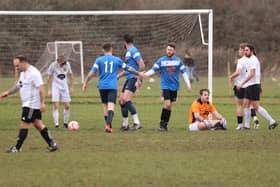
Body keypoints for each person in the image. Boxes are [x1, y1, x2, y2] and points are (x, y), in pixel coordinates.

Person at [0, 55, 57, 152]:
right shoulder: (23, 73)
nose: (16, 68)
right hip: (28, 104)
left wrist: (42, 103)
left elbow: (41, 89)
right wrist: (7, 93)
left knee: (24, 124)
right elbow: (19, 86)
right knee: (38, 125)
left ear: (23, 62)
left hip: (31, 105)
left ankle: (17, 148)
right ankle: (52, 144)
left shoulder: (34, 73)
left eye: (17, 66)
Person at [82, 43, 142, 133]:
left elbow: (92, 72)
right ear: (111, 49)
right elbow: (128, 68)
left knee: (105, 106)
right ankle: (108, 125)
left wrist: (85, 82)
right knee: (111, 106)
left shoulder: (99, 60)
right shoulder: (117, 60)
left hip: (102, 86)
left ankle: (108, 125)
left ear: (103, 50)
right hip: (112, 86)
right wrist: (138, 73)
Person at [141, 42, 192, 131]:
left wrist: (188, 84)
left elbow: (184, 73)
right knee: (167, 104)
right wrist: (145, 75)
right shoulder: (161, 60)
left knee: (169, 106)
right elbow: (153, 70)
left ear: (174, 51)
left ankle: (164, 125)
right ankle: (162, 125)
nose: (168, 51)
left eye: (170, 50)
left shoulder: (178, 61)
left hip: (175, 86)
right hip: (165, 85)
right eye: (167, 49)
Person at [237, 44, 278, 130]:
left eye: (247, 50)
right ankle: (247, 125)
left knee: (256, 106)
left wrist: (242, 83)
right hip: (249, 85)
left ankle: (272, 121)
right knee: (247, 104)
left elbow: (252, 74)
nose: (245, 52)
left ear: (251, 51)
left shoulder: (253, 59)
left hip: (253, 85)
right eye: (244, 50)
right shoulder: (249, 59)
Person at [229, 43, 259, 130]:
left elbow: (238, 72)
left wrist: (231, 76)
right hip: (250, 85)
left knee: (239, 105)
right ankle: (250, 122)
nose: (239, 51)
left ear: (242, 50)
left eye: (240, 50)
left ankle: (240, 125)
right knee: (248, 105)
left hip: (240, 85)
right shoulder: (251, 59)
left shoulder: (241, 60)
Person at [118, 34, 145, 131]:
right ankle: (125, 124)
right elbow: (129, 68)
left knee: (126, 99)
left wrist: (139, 79)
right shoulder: (128, 52)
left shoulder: (134, 51)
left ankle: (137, 123)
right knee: (121, 101)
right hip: (128, 78)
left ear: (124, 42)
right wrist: (118, 76)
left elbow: (142, 65)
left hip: (134, 78)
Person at [47, 55, 74, 128]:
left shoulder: (68, 65)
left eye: (64, 63)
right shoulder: (53, 65)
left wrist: (71, 87)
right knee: (56, 105)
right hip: (55, 86)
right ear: (58, 62)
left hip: (64, 87)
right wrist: (49, 90)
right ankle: (57, 124)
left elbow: (71, 75)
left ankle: (65, 123)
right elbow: (49, 78)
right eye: (61, 63)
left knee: (67, 106)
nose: (63, 64)